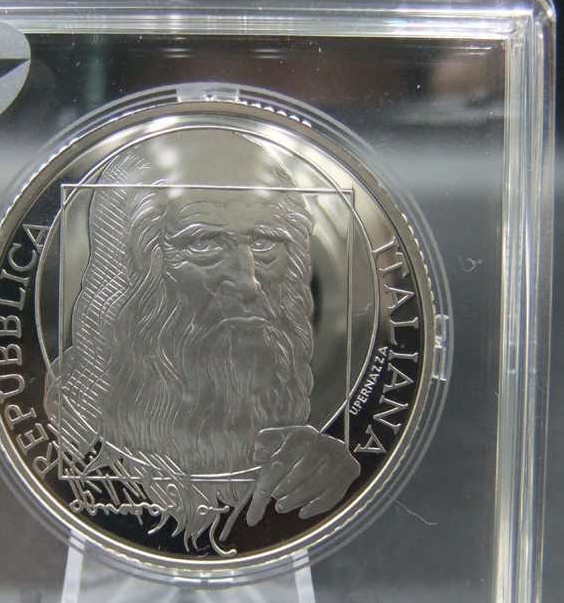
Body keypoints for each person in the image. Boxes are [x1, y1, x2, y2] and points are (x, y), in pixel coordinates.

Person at [45, 128, 359, 552]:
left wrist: (328, 472)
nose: (249, 283)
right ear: (130, 266)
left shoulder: (308, 448)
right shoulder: (72, 420)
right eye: (205, 244)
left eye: (265, 242)